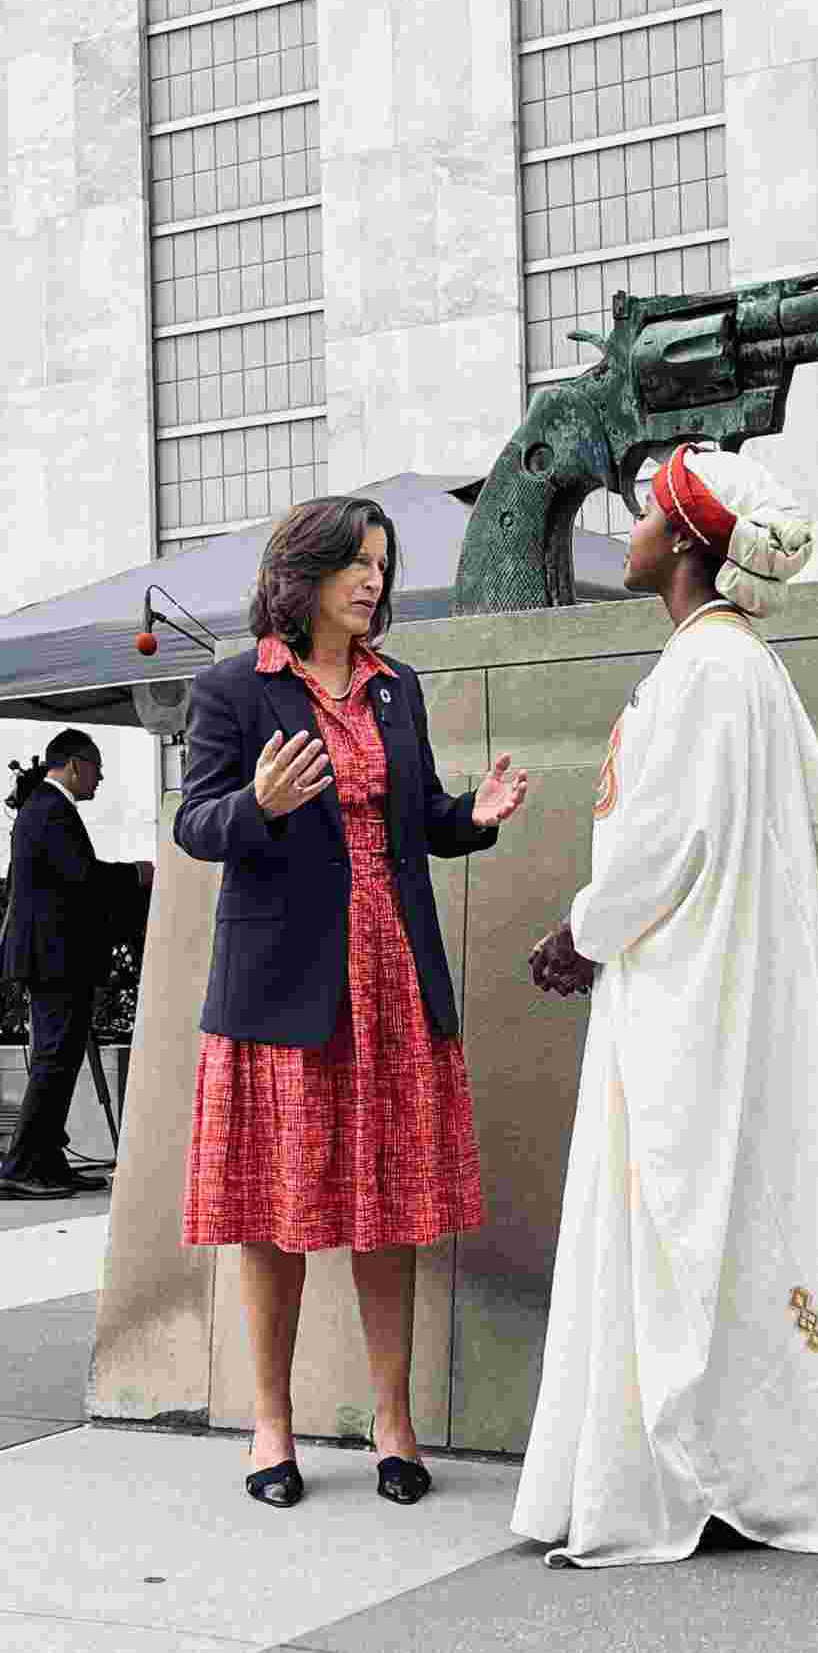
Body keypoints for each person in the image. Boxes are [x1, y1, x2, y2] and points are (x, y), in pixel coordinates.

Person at [514, 441, 818, 1566]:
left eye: (639, 520)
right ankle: (725, 1459)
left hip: (691, 1001)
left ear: (679, 543)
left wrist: (577, 932)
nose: (622, 536)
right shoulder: (740, 667)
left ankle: (680, 1467)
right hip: (718, 988)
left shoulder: (706, 671)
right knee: (727, 1223)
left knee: (680, 1218)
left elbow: (659, 844)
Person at [174, 495, 528, 1511]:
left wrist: (473, 817)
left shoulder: (395, 687)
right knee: (274, 1213)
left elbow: (415, 818)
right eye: (355, 563)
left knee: (392, 1211)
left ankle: (393, 1424)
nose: (374, 579)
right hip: (284, 983)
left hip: (392, 978)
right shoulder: (234, 688)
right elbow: (196, 823)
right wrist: (260, 804)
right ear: (304, 574)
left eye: (382, 563)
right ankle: (272, 1424)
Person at [0, 731, 154, 1199]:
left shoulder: (44, 808)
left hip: (55, 958)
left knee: (61, 1061)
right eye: (97, 767)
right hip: (56, 961)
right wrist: (136, 874)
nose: (102, 776)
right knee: (54, 1061)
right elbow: (83, 878)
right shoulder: (50, 810)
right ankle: (22, 1165)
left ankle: (46, 1160)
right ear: (73, 764)